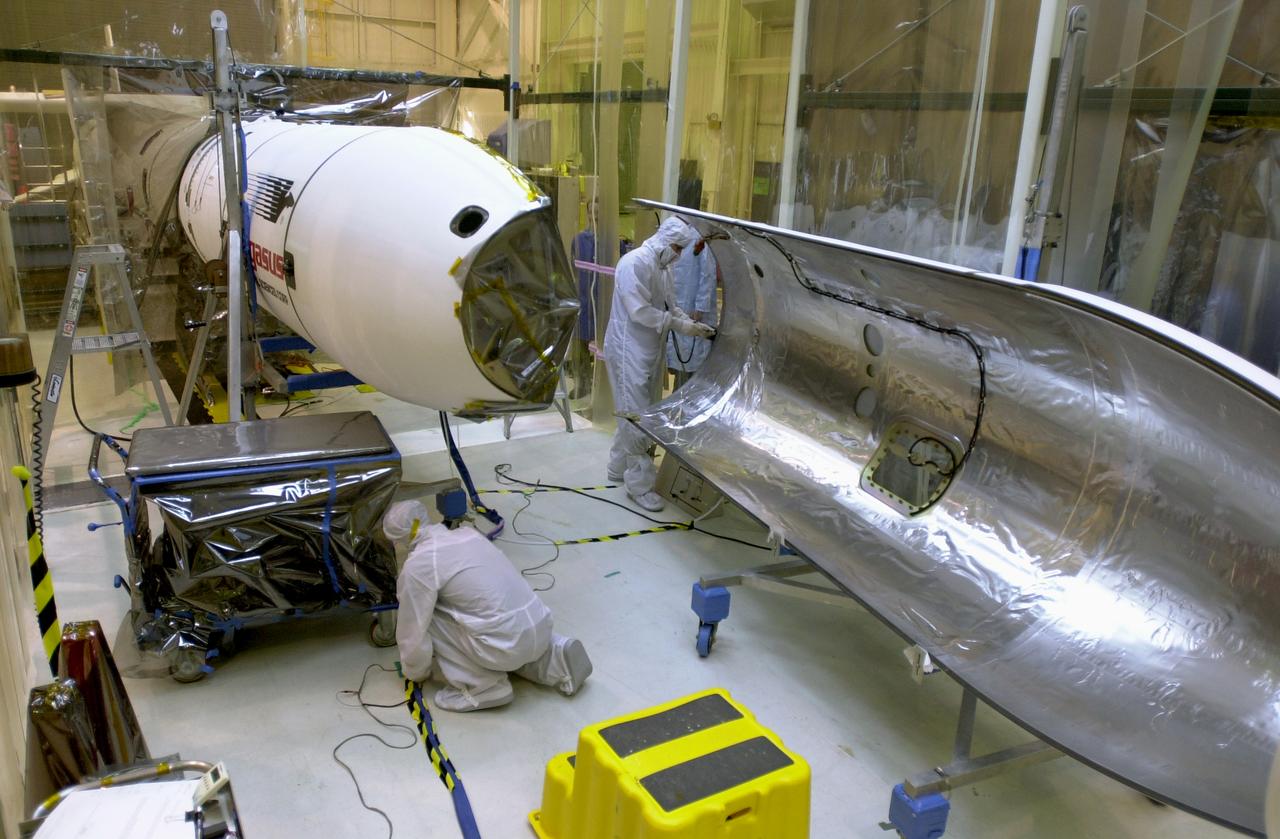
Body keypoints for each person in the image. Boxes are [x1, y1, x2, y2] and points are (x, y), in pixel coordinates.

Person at [385, 500, 593, 712]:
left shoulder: (420, 563)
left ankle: (482, 687)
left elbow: (412, 628)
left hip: (502, 644)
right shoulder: (469, 534)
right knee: (491, 613)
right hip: (539, 626)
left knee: (429, 614)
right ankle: (554, 657)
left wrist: (415, 671)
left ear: (399, 538)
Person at [603, 216, 715, 511]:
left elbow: (668, 304)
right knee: (636, 414)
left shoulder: (662, 268)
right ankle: (639, 486)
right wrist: (681, 326)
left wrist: (687, 321)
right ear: (665, 240)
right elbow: (640, 312)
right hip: (629, 349)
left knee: (639, 408)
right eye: (677, 248)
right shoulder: (634, 263)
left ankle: (617, 468)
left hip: (650, 349)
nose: (679, 255)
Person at [666, 238, 718, 388]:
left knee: (694, 359)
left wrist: (701, 307)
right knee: (681, 357)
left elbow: (708, 274)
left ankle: (690, 398)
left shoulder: (700, 239)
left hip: (694, 311)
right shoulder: (679, 237)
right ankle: (679, 396)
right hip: (679, 306)